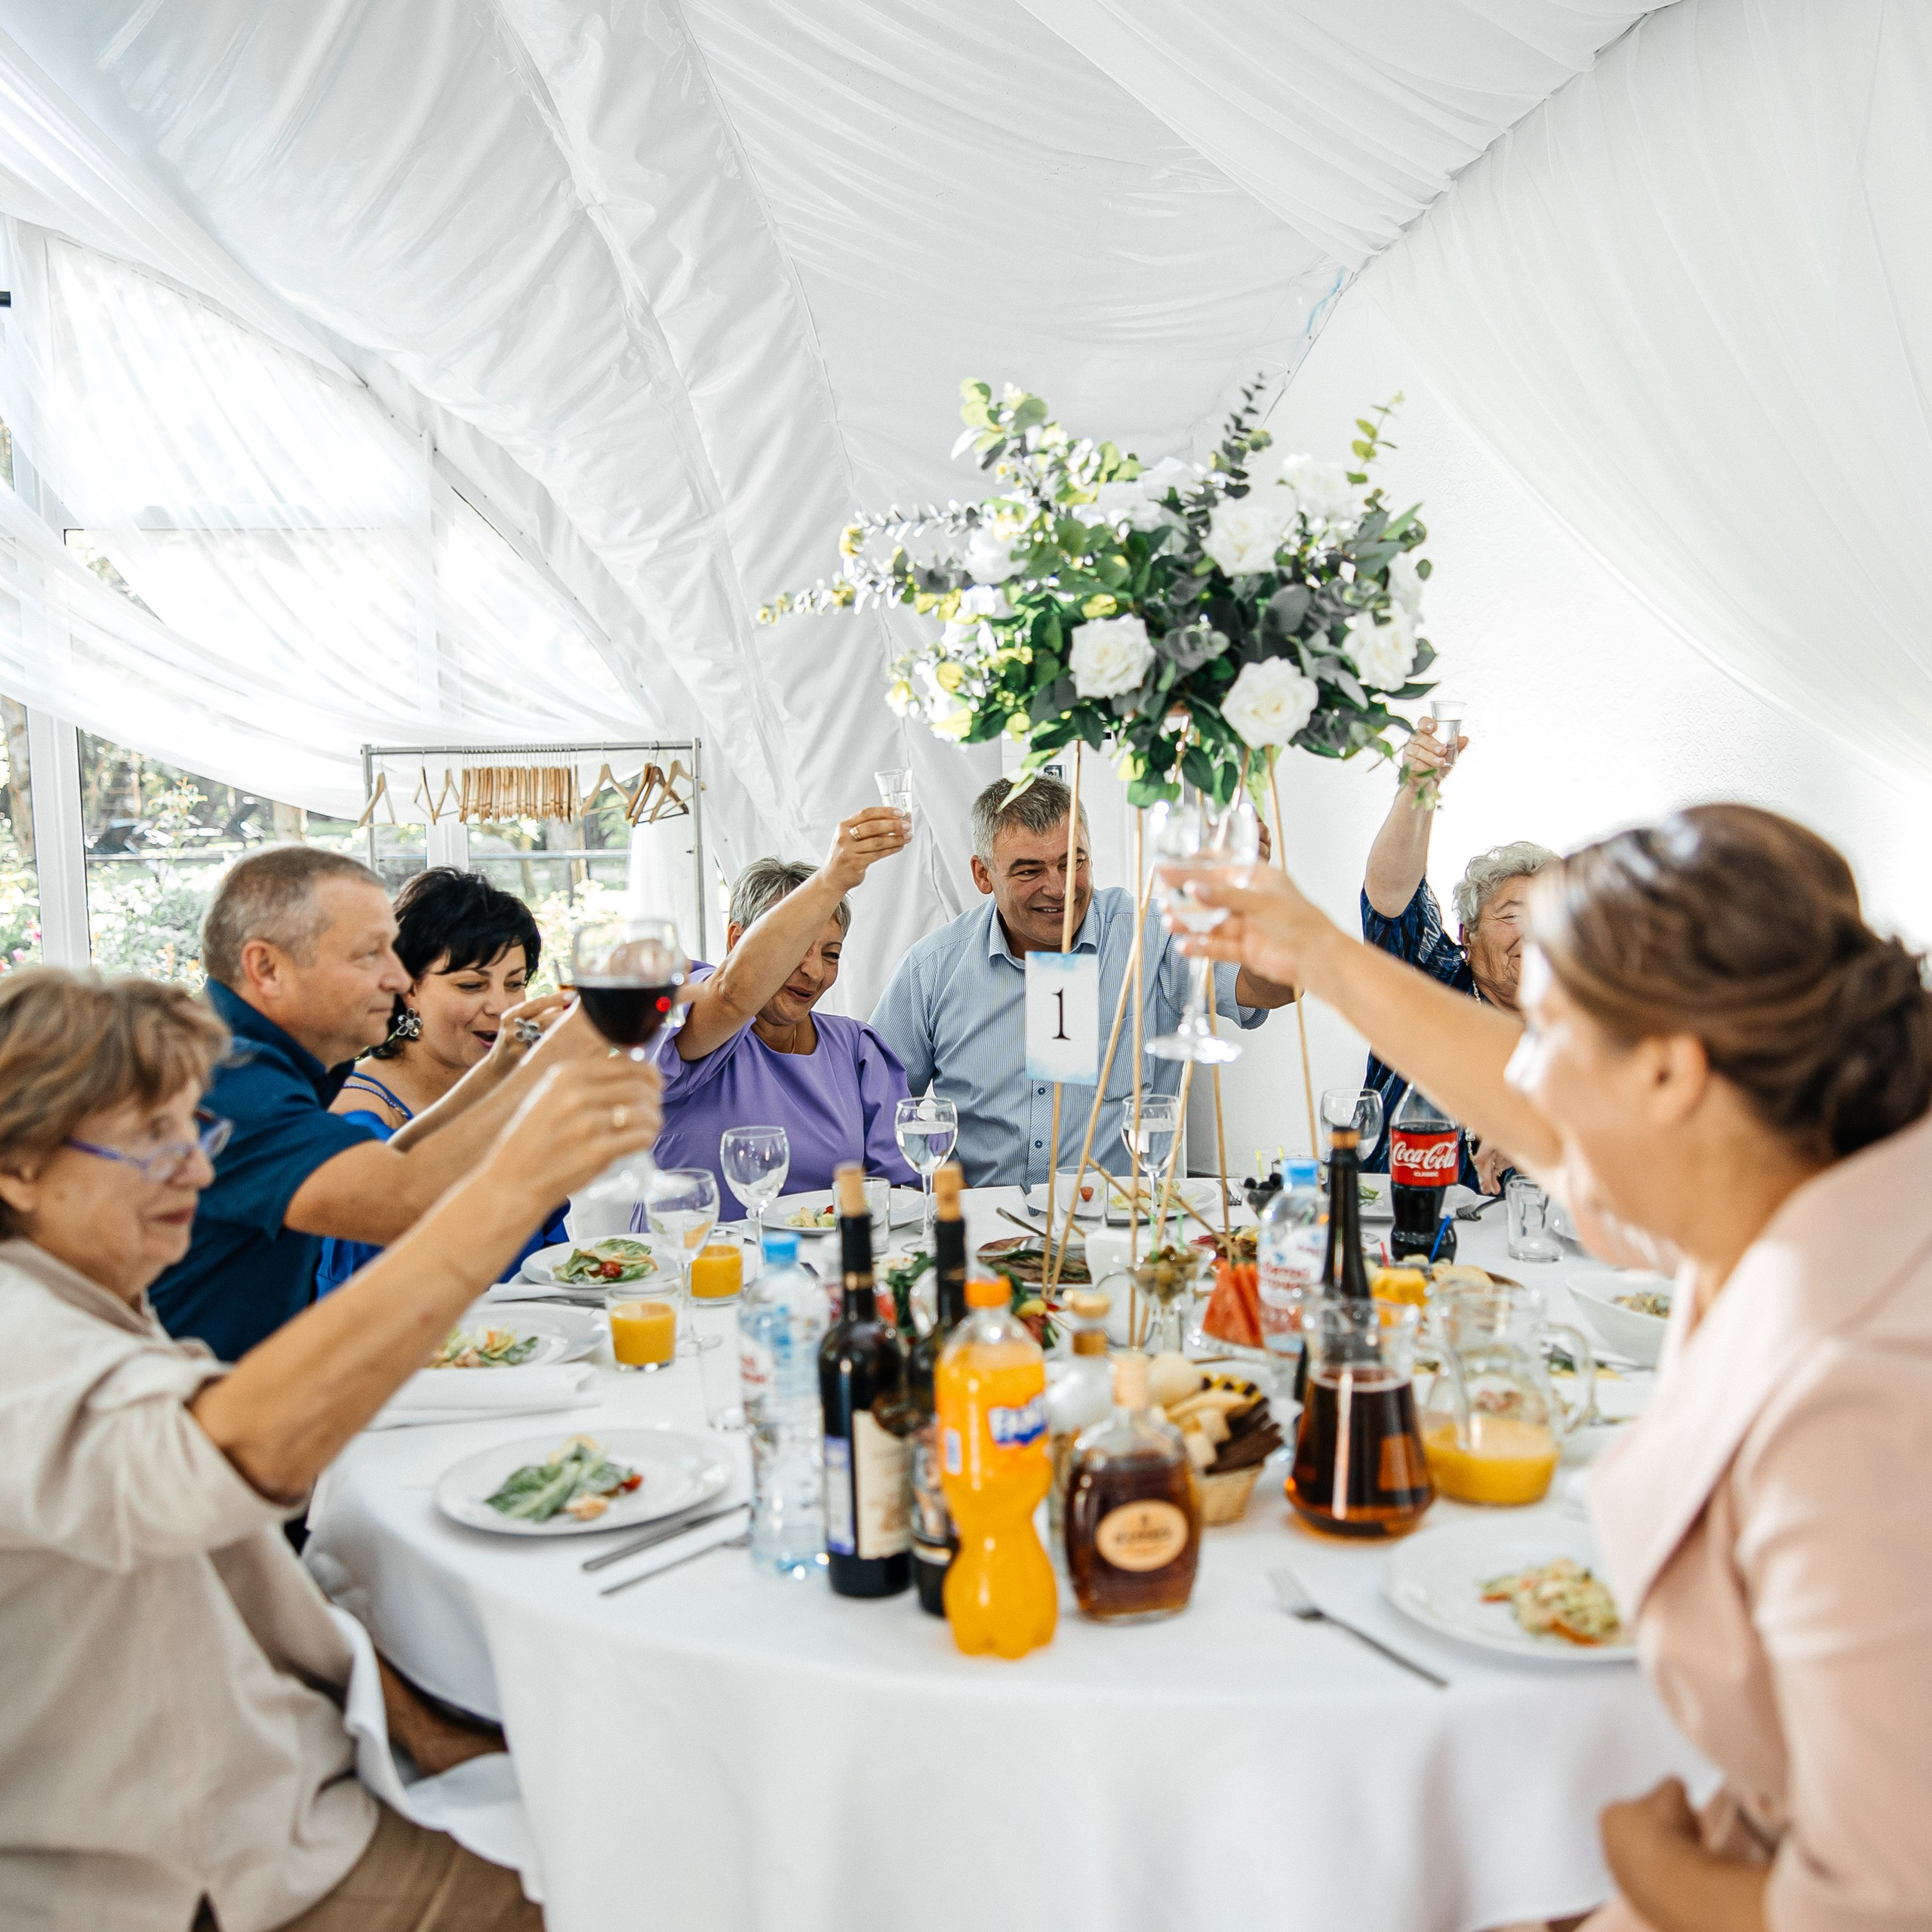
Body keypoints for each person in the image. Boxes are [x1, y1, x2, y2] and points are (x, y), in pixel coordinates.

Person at [1171, 803, 1932, 1932]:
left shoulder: (1858, 1398)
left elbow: (1874, 1909)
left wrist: (1635, 1862)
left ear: (1667, 1075)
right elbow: (1534, 1113)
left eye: (1554, 1033)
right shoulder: (1771, 1168)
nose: (1527, 1072)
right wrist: (1318, 953)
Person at [0, 966, 662, 1930]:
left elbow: (245, 1586)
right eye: (150, 1140)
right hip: (193, 1864)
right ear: (18, 1166)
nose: (196, 1172)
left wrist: (433, 1730)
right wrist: (510, 1187)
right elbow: (231, 1453)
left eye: (195, 1132)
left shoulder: (93, 1294)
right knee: (648, 1877)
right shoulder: (22, 1337)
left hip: (286, 1769)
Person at [149, 848, 595, 1360]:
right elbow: (404, 1205)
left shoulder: (276, 1059)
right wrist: (543, 1067)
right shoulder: (229, 1076)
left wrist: (500, 1069)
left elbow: (392, 1161)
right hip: (193, 1393)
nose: (400, 980)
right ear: (267, 968)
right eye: (369, 954)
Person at [870, 774, 1297, 1188]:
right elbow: (876, 1110)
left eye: (1072, 862)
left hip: (1122, 1221)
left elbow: (1276, 989)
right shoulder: (932, 968)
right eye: (1029, 871)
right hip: (986, 1221)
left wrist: (1256, 899)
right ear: (983, 874)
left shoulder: (1153, 934)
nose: (1059, 888)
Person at [318, 869, 567, 1291]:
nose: (502, 1008)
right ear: (408, 987)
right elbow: (372, 1271)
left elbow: (551, 1259)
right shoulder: (357, 1112)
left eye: (515, 984)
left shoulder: (519, 1093)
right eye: (471, 985)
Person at [654, 810, 919, 1201]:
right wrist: (832, 879)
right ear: (736, 940)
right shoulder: (693, 1006)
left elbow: (899, 1189)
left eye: (831, 954)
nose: (814, 971)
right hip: (693, 1242)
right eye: (795, 948)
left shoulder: (856, 1049)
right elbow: (730, 995)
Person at [1360, 716, 1555, 1186]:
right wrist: (1418, 791)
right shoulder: (1435, 985)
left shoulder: (1582, 1031)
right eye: (1512, 916)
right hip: (1397, 1220)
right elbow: (1391, 898)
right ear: (1467, 936)